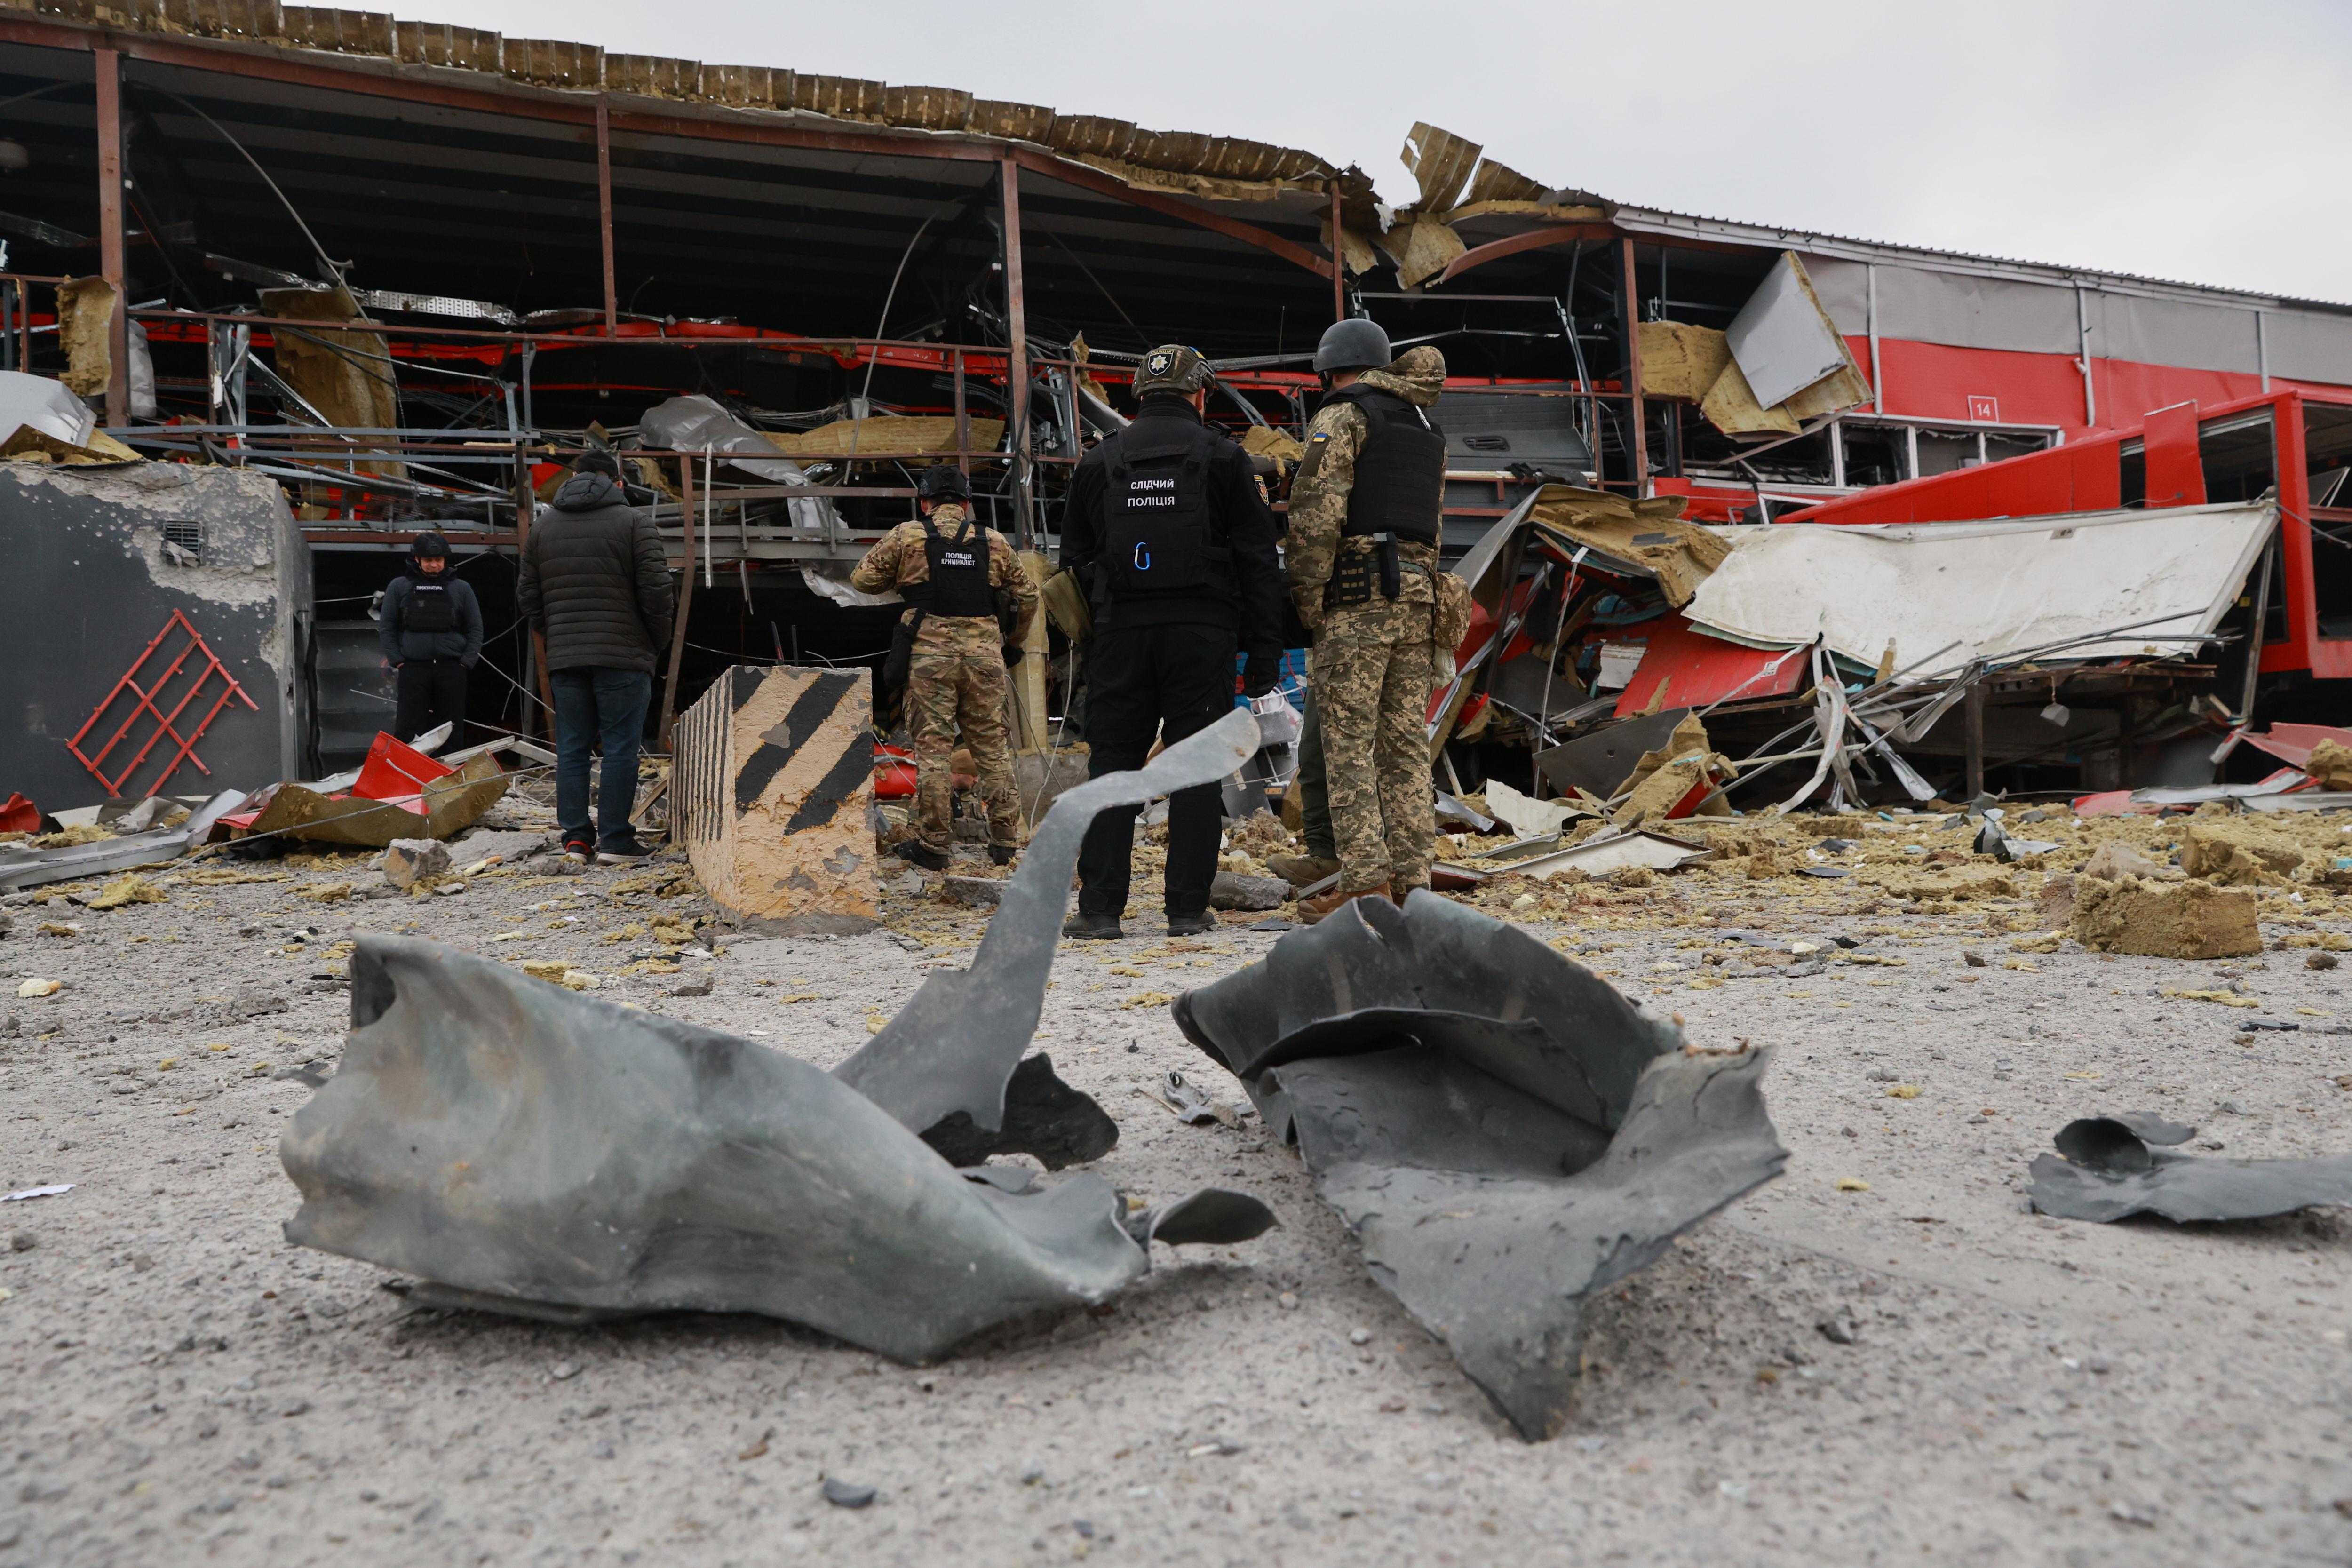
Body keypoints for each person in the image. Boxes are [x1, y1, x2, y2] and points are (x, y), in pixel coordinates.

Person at [1059, 343, 1284, 939]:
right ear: (1200, 394)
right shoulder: (1224, 458)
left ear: (1139, 395)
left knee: (1112, 765)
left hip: (1121, 635)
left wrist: (1105, 620)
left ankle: (1099, 910)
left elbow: (1073, 560)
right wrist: (1263, 654)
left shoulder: (1098, 461)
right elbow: (1259, 563)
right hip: (1201, 634)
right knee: (1193, 770)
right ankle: (1185, 909)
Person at [1284, 320, 1448, 923]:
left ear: (1331, 368)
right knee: (1404, 743)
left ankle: (1364, 886)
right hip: (1417, 595)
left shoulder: (1342, 416)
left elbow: (1315, 511)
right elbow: (1428, 521)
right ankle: (1414, 882)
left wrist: (1306, 595)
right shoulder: (1425, 425)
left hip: (1356, 597)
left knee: (1347, 744)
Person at [850, 464, 1037, 871]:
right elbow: (1028, 596)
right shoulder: (995, 542)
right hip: (985, 658)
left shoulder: (908, 535)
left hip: (929, 659)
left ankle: (934, 845)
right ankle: (1006, 842)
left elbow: (862, 579)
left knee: (933, 753)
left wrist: (905, 579)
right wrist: (1015, 643)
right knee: (994, 750)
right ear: (968, 504)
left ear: (924, 502)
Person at [516, 449, 674, 865]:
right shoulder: (635, 522)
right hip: (624, 654)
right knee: (621, 747)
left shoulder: (542, 528)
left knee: (572, 748)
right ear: (618, 483)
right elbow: (658, 593)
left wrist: (558, 638)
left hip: (567, 657)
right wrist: (653, 643)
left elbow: (528, 597)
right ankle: (617, 842)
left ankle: (576, 841)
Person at [380, 531, 482, 746]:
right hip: (413, 668)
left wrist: (466, 662)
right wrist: (397, 659)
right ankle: (407, 776)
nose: (434, 565)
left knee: (451, 727)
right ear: (417, 559)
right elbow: (387, 626)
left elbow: (475, 628)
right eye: (428, 560)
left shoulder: (462, 589)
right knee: (409, 726)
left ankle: (451, 775)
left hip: (451, 668)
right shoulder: (399, 586)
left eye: (438, 560)